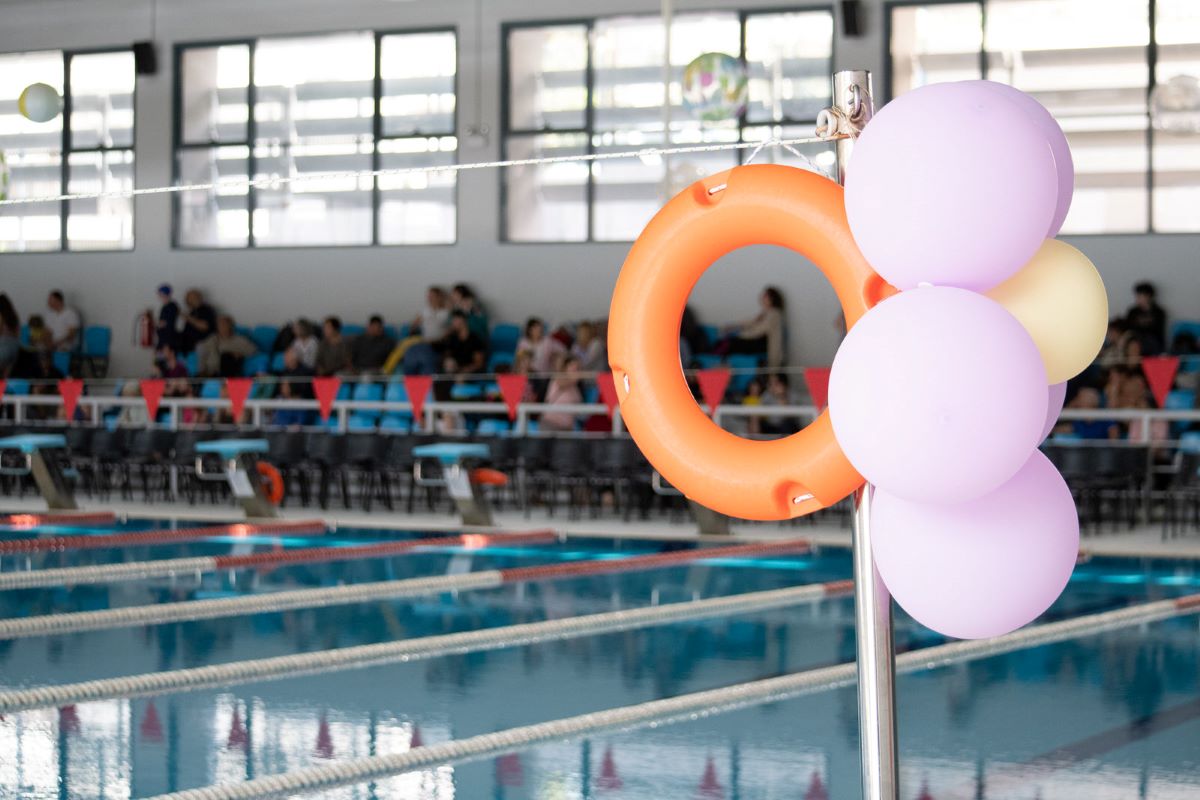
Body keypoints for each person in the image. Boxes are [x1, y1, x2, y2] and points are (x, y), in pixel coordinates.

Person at [722, 287, 786, 369]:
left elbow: (760, 331)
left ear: (772, 299)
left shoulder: (774, 314)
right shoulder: (765, 313)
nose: (762, 297)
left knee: (732, 343)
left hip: (763, 344)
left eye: (765, 296)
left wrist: (740, 334)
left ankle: (723, 366)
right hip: (757, 340)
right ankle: (722, 363)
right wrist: (732, 327)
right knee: (730, 340)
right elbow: (749, 322)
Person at [272, 348, 314, 427]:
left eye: (287, 356)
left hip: (301, 403)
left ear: (295, 358)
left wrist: (292, 394)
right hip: (286, 402)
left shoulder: (306, 372)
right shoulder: (284, 372)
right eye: (285, 357)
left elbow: (306, 392)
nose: (284, 359)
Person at [540, 355, 583, 432]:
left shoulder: (575, 388)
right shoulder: (558, 378)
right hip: (550, 423)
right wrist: (574, 378)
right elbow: (562, 383)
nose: (575, 369)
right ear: (565, 367)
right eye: (573, 366)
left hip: (566, 428)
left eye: (577, 367)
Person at [1125, 282, 1167, 354]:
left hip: (1152, 341)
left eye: (1139, 296)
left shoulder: (1158, 312)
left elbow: (1159, 331)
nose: (1137, 299)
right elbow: (1128, 328)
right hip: (1136, 340)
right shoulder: (1133, 312)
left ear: (1148, 296)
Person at [441, 310, 486, 375]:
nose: (453, 323)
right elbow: (446, 356)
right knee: (448, 363)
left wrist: (464, 371)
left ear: (463, 321)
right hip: (455, 371)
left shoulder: (474, 339)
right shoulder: (452, 338)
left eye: (455, 320)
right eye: (453, 321)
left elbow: (479, 364)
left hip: (471, 372)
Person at [179, 289, 217, 354]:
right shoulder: (192, 312)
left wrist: (188, 318)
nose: (189, 302)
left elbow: (204, 326)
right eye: (188, 299)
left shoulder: (207, 310)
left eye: (193, 298)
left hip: (202, 343)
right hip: (188, 344)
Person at [156, 284, 180, 353]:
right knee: (159, 357)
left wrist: (155, 323)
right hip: (163, 338)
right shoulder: (165, 307)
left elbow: (165, 322)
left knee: (167, 357)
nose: (159, 296)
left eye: (161, 294)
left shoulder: (172, 306)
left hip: (168, 338)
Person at [0, 293, 20, 377]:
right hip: (15, 348)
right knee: (6, 377)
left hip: (3, 346)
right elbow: (18, 334)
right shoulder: (14, 315)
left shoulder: (1, 316)